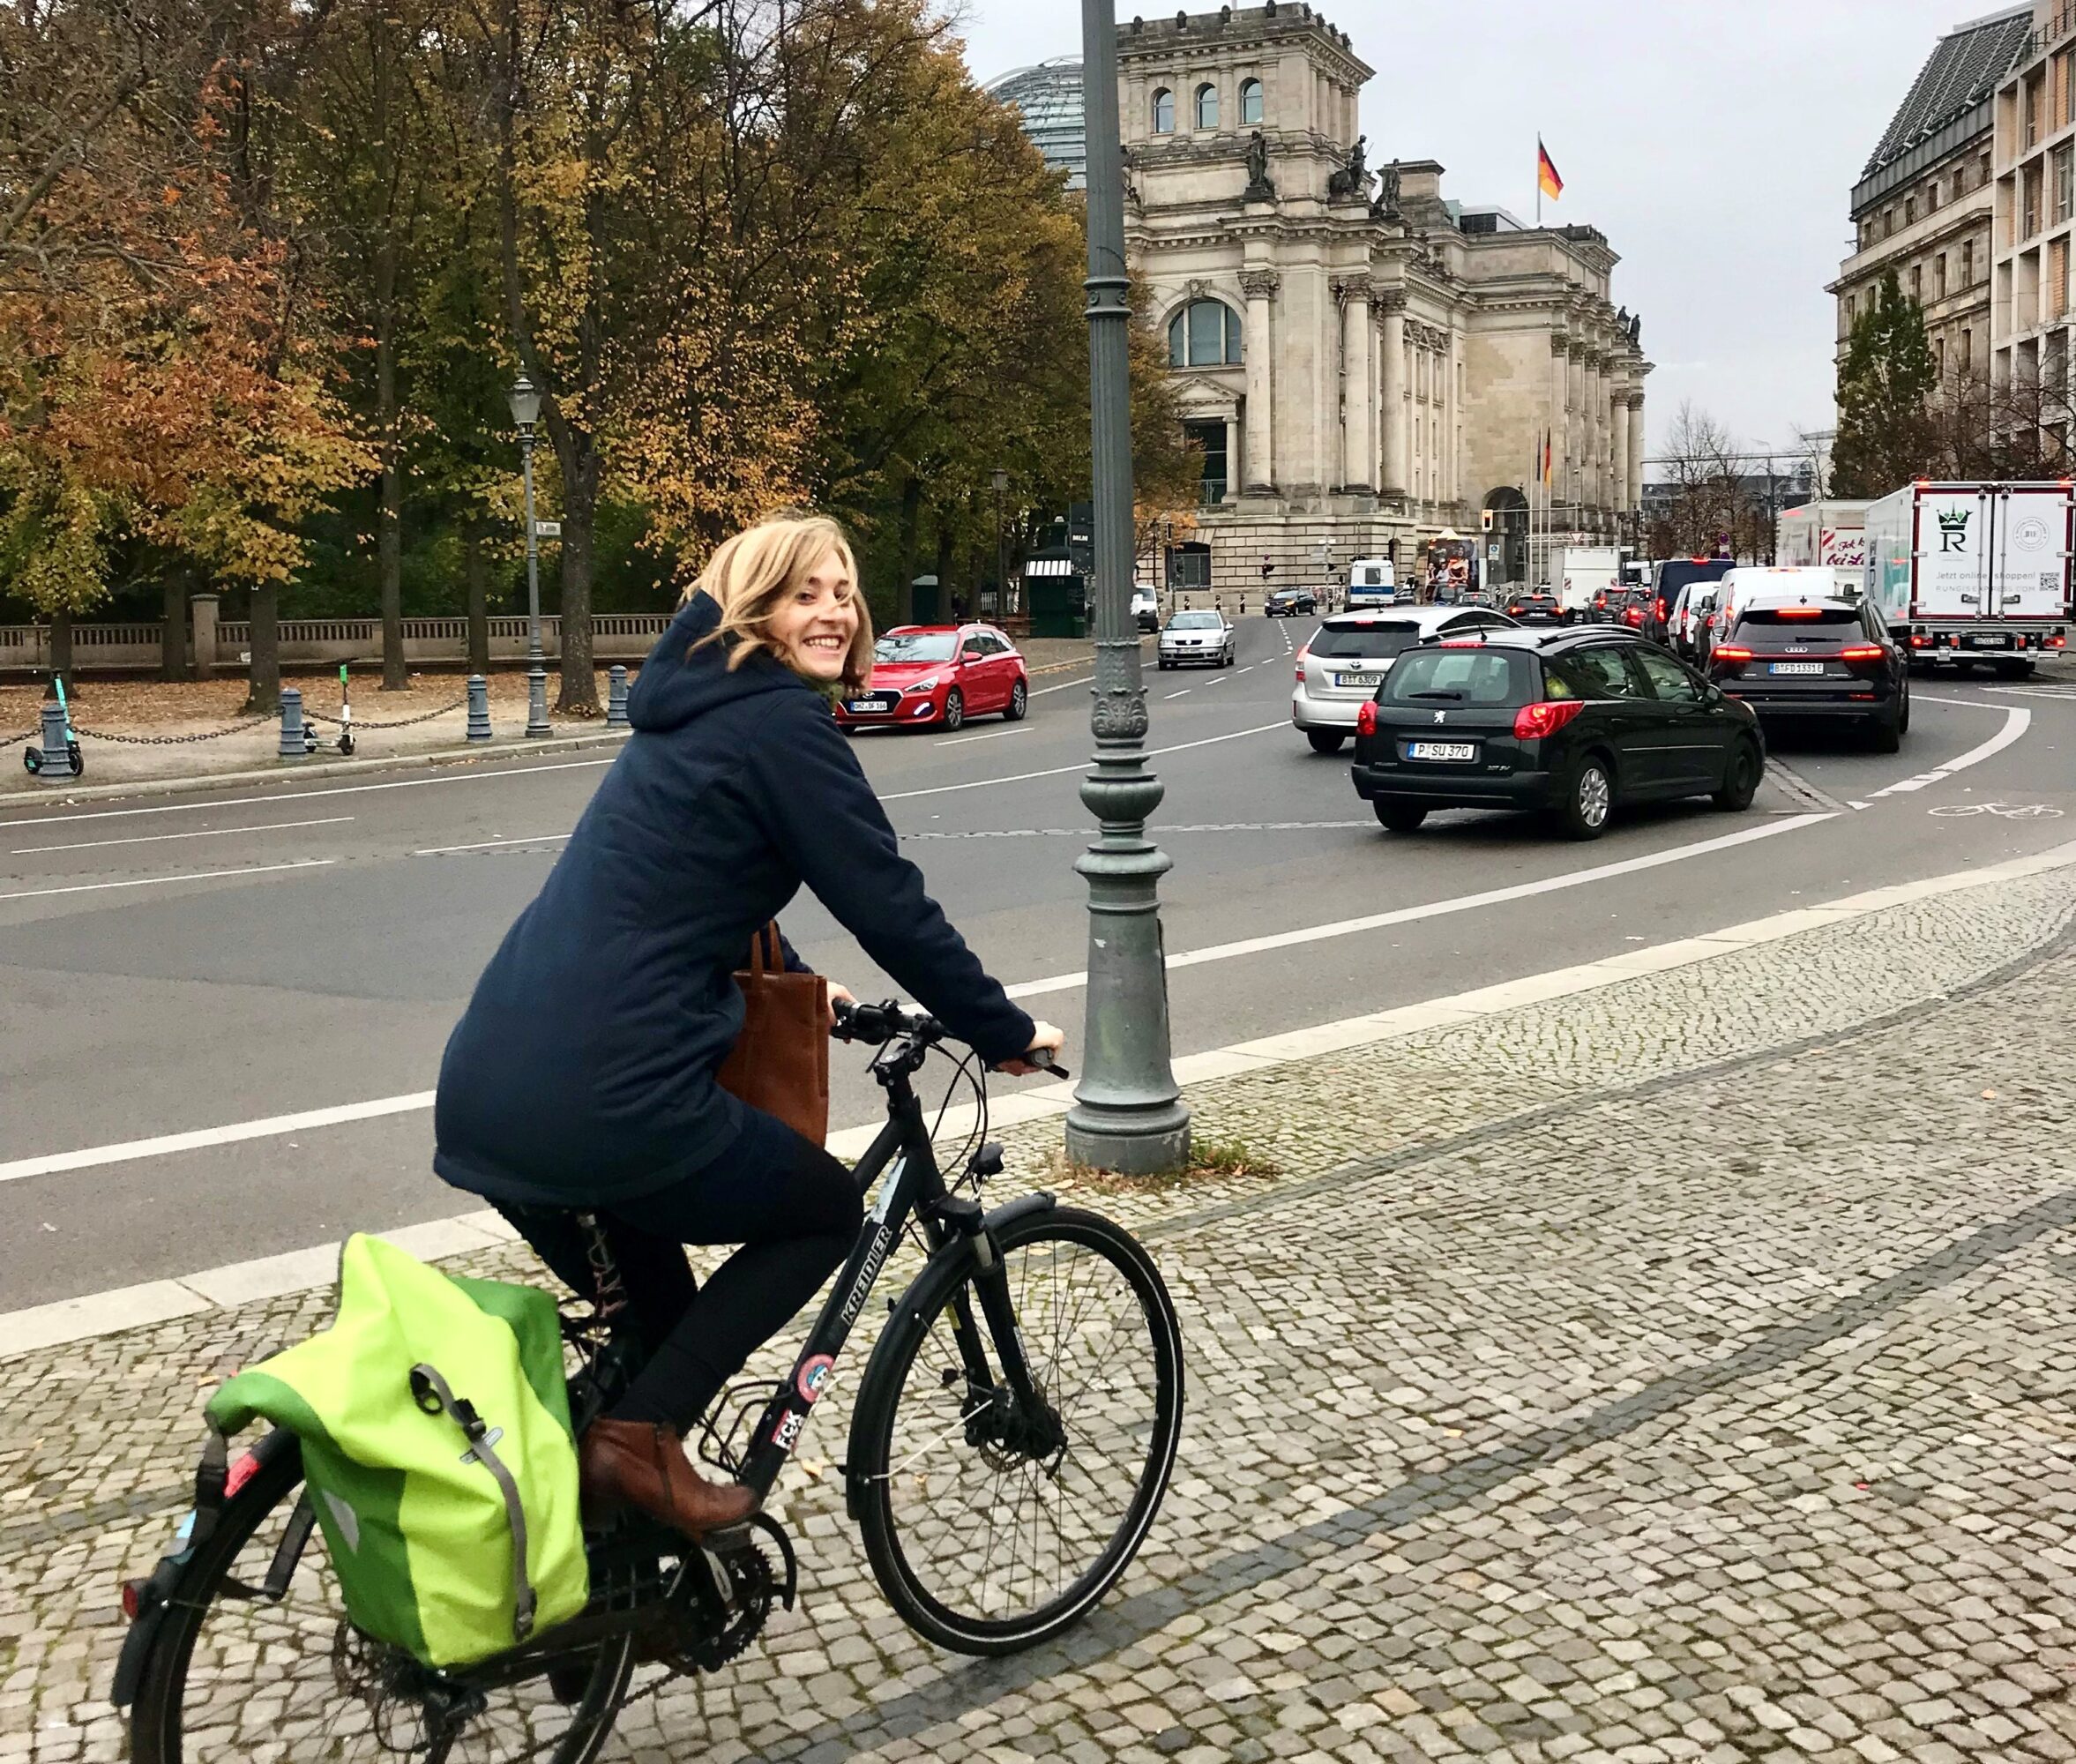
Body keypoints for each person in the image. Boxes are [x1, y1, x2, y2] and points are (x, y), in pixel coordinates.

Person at [432, 512, 1064, 1539]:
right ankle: (634, 1446)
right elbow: (886, 900)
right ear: (752, 610)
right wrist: (996, 1023)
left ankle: (593, 1569)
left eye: (843, 590)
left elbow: (692, 883)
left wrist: (808, 986)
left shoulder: (690, 712)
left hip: (492, 1086)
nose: (832, 610)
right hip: (610, 1097)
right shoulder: (778, 722)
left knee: (661, 1334)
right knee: (822, 1212)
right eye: (802, 592)